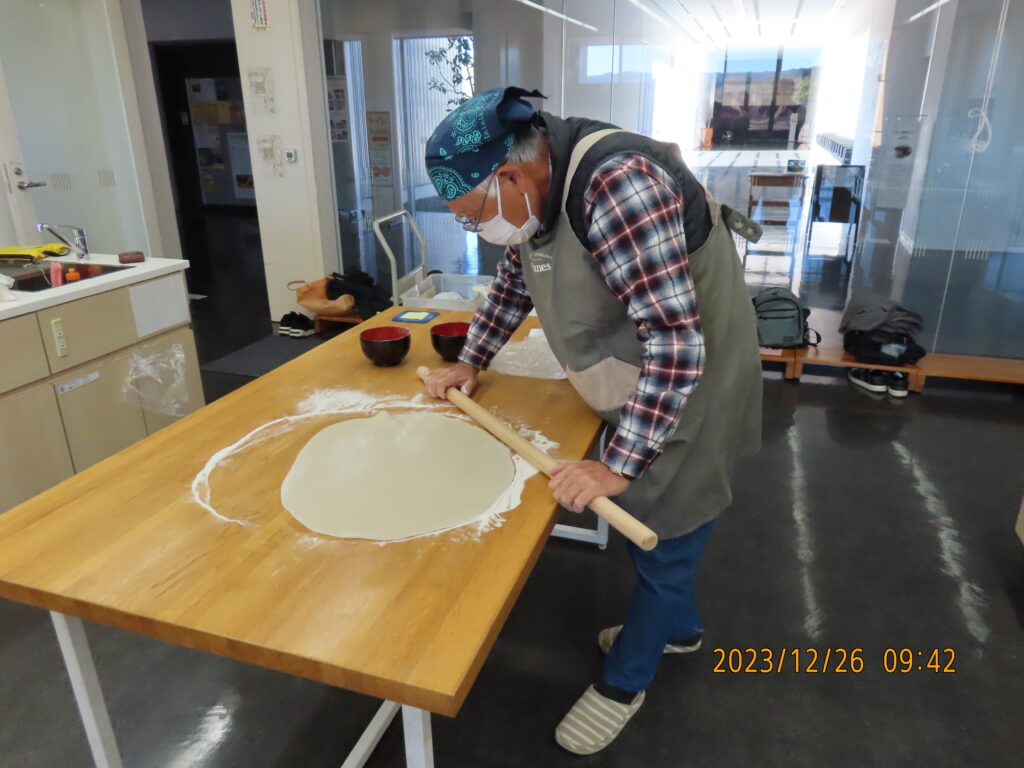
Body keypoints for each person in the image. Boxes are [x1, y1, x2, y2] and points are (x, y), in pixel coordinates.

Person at [421, 87, 763, 755]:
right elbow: (516, 281)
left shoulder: (618, 186)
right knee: (655, 519)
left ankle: (625, 682)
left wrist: (616, 466)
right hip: (640, 371)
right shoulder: (535, 198)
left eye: (472, 217)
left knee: (665, 529)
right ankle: (677, 629)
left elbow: (674, 342)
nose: (477, 231)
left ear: (510, 177)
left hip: (694, 377)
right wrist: (470, 360)